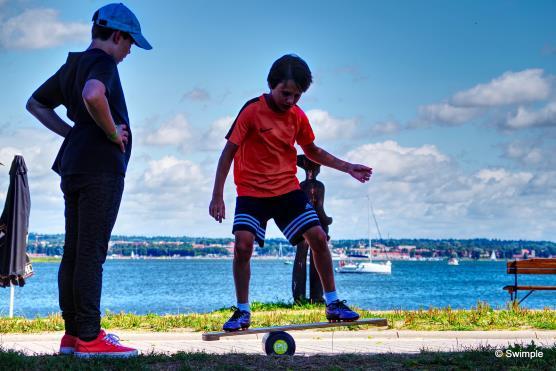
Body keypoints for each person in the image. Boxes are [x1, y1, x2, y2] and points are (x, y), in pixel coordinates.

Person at [209, 54, 373, 331]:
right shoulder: (251, 111)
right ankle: (242, 310)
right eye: (286, 93)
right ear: (272, 85)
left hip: (286, 190)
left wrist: (348, 168)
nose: (290, 101)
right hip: (251, 192)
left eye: (297, 95)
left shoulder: (297, 116)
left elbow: (312, 150)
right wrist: (217, 196)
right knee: (242, 246)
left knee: (319, 237)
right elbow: (228, 154)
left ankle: (333, 303)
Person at [26, 3, 152, 358]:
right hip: (101, 169)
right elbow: (94, 94)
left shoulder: (73, 63)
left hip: (74, 166)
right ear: (117, 36)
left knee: (74, 251)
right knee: (91, 253)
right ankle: (91, 336)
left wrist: (73, 133)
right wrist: (111, 133)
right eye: (130, 44)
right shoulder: (102, 61)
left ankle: (72, 335)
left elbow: (35, 104)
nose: (129, 53)